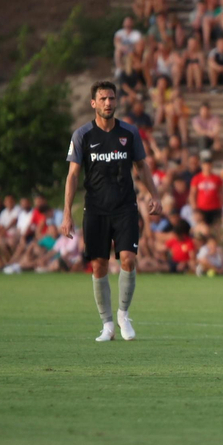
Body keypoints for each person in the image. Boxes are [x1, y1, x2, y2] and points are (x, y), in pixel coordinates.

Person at [62, 81, 160, 342]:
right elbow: (72, 176)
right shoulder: (82, 135)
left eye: (112, 98)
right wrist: (66, 213)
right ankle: (107, 324)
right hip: (95, 209)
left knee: (128, 258)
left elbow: (142, 165)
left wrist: (155, 195)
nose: (108, 103)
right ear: (93, 103)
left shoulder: (129, 133)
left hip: (125, 206)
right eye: (103, 99)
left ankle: (123, 315)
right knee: (98, 265)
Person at [191, 154, 223, 231]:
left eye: (209, 165)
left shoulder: (217, 179)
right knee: (203, 229)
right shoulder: (197, 178)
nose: (207, 167)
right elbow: (193, 194)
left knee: (216, 228)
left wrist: (222, 206)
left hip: (215, 208)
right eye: (205, 165)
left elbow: (221, 193)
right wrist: (195, 209)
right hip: (202, 208)